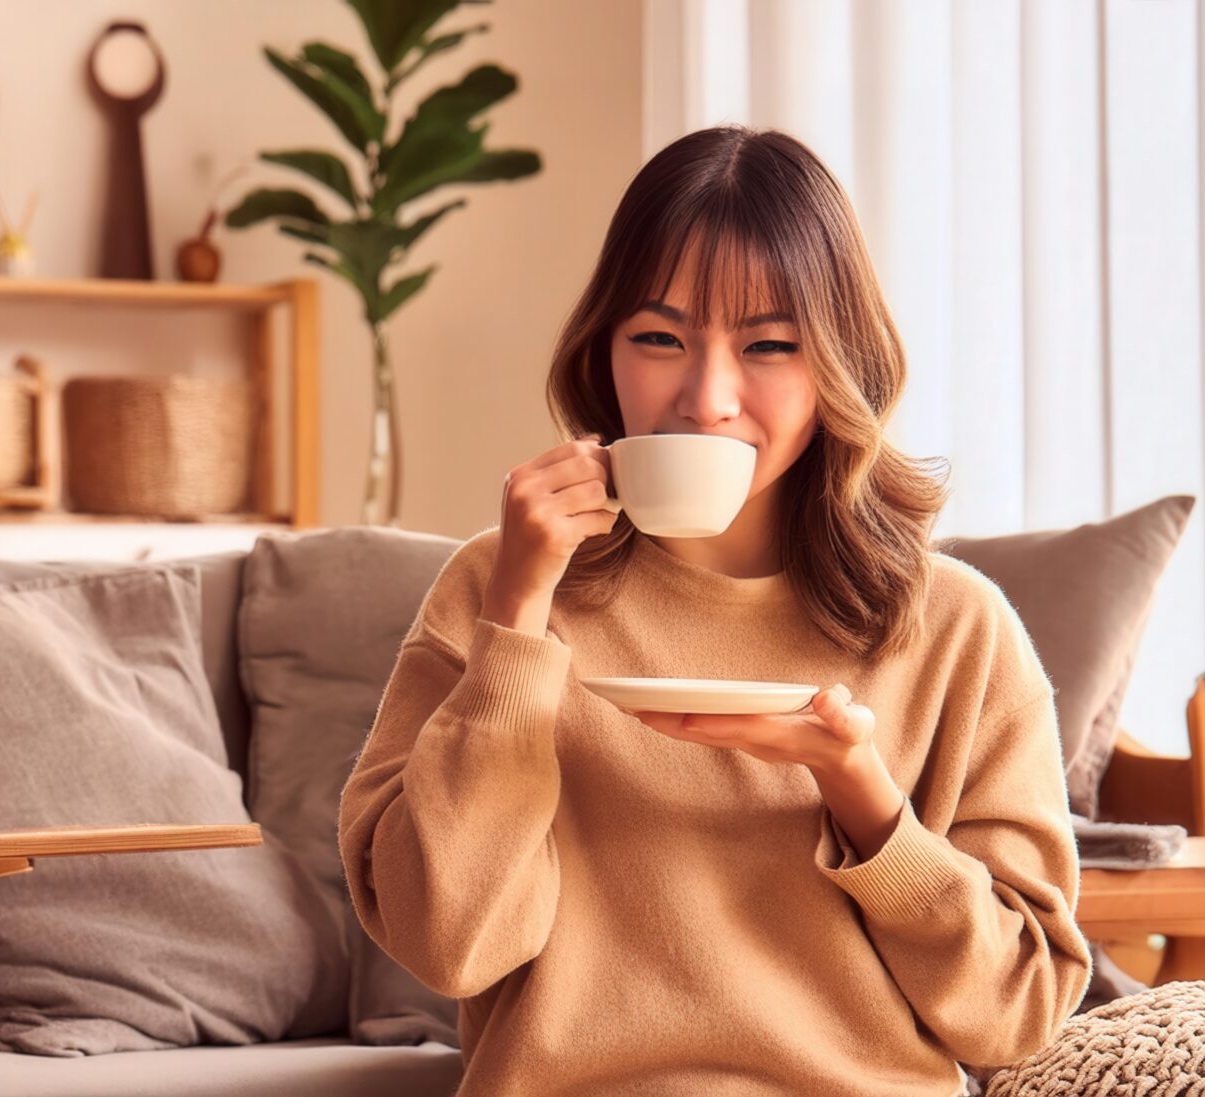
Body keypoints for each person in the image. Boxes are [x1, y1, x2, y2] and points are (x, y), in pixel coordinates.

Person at [336, 124, 1090, 1097]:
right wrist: (520, 613)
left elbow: (1019, 1010)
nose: (708, 396)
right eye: (659, 338)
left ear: (837, 366)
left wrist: (860, 790)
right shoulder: (499, 585)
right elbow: (449, 943)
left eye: (769, 346)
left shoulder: (956, 628)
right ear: (602, 352)